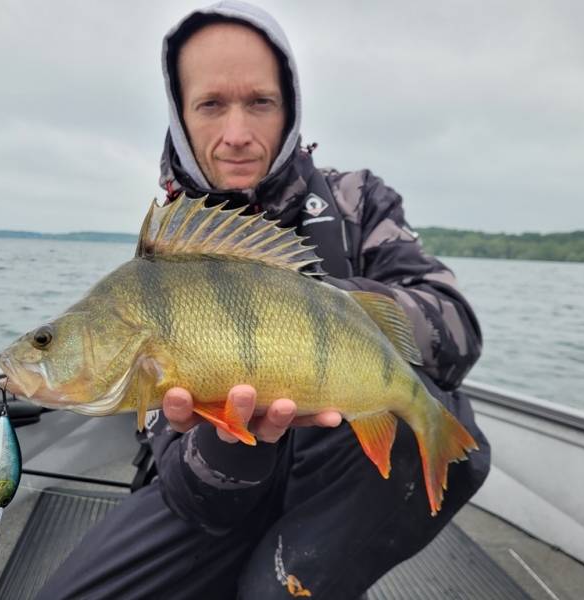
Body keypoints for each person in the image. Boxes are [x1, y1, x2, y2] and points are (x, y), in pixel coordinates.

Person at [36, 2, 490, 598]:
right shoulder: (166, 253)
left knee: (275, 589)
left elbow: (457, 327)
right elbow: (182, 474)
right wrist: (232, 445)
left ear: (291, 107)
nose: (237, 134)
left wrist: (333, 312)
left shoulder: (359, 202)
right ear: (179, 115)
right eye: (211, 104)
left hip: (346, 470)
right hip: (231, 480)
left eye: (259, 102)